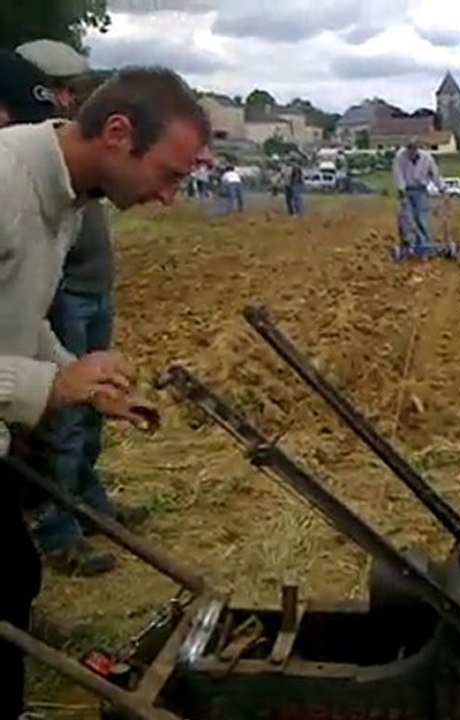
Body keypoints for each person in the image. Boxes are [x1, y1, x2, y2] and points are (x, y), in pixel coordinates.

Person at [0, 58, 210, 718]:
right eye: (168, 175)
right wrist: (50, 382)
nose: (169, 197)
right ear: (118, 133)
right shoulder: (4, 187)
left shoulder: (66, 197)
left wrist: (79, 376)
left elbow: (17, 318)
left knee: (13, 574)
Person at [7, 39, 148, 579]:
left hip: (88, 290)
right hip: (64, 297)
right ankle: (59, 529)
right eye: (61, 89)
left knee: (87, 407)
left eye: (72, 90)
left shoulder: (73, 164)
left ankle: (90, 505)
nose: (69, 99)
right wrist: (53, 377)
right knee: (61, 418)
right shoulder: (22, 170)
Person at [392, 137, 441, 248]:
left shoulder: (427, 158)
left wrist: (441, 188)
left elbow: (435, 174)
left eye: (413, 149)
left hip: (420, 190)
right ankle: (407, 242)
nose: (411, 151)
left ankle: (423, 243)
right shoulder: (400, 157)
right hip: (406, 190)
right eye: (409, 149)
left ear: (417, 148)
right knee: (406, 217)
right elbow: (398, 174)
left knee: (420, 217)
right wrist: (401, 189)